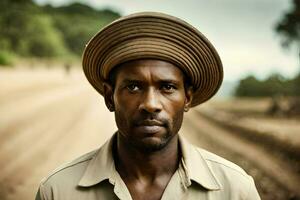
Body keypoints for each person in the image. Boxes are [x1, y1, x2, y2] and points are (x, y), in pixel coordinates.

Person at [35, 12, 260, 200]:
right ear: (109, 96)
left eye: (167, 87)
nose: (150, 104)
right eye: (133, 87)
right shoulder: (58, 191)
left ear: (187, 98)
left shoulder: (235, 189)